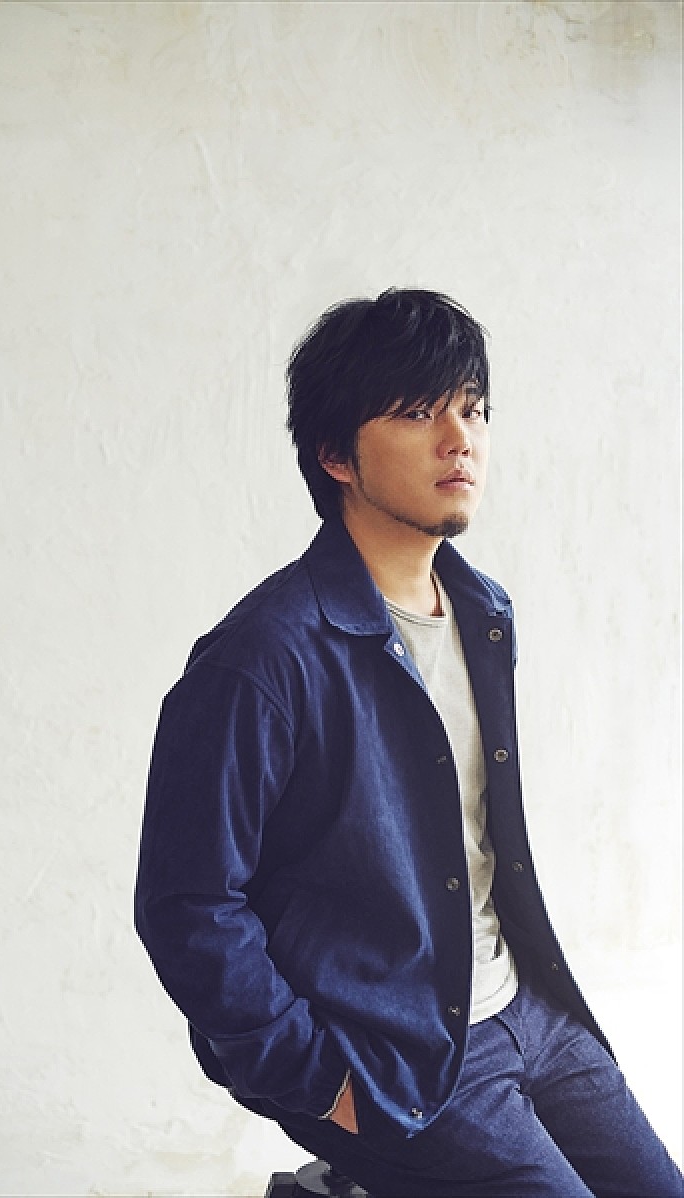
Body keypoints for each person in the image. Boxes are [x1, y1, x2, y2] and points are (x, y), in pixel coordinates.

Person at [134, 289, 682, 1197]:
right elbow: (188, 905)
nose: (460, 439)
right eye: (421, 412)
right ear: (335, 454)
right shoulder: (261, 658)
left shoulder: (483, 613)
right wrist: (321, 1081)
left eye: (474, 409)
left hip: (527, 1012)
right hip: (387, 1058)